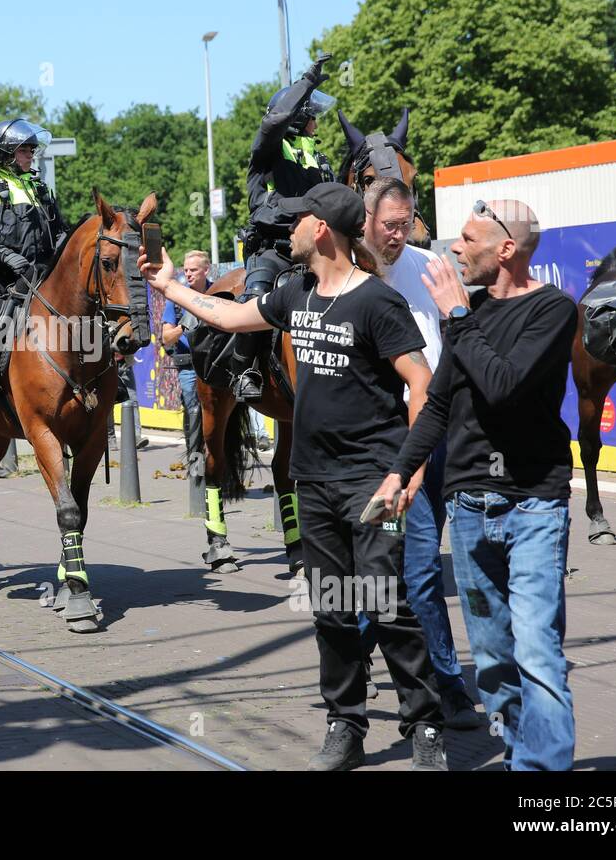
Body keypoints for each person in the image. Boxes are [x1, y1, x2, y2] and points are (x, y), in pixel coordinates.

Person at [142, 181, 446, 771]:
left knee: (387, 604)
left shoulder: (375, 302)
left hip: (372, 482)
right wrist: (171, 286)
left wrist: (406, 472)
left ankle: (425, 724)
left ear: (323, 229)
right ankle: (345, 725)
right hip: (315, 481)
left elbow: (422, 385)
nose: (292, 228)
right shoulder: (296, 293)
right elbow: (230, 315)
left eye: (301, 219)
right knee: (331, 608)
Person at [374, 199, 578, 771]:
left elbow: (503, 386)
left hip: (533, 502)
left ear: (505, 249)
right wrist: (401, 473)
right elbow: (438, 404)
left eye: (466, 239)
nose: (453, 249)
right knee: (492, 659)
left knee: (537, 650)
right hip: (467, 505)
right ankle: (520, 759)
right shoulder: (468, 312)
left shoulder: (553, 309)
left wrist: (458, 318)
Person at [361, 177, 484, 730]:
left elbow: (454, 343)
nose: (398, 234)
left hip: (436, 434)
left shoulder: (429, 266)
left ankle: (367, 650)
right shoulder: (346, 273)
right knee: (407, 569)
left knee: (413, 568)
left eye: (407, 223)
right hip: (383, 445)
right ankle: (443, 681)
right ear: (365, 219)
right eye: (389, 224)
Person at [226, 53, 338, 401]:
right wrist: (306, 82)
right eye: (311, 119)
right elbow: (274, 122)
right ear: (297, 118)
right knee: (257, 294)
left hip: (316, 248)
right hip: (273, 249)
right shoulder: (267, 151)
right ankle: (243, 369)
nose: (316, 125)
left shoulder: (317, 159)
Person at [0, 118, 67, 426]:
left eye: (32, 149)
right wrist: (6, 256)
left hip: (39, 276)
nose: (31, 154)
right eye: (25, 149)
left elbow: (60, 232)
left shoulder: (41, 189)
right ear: (5, 153)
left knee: (82, 313)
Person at [161, 250, 211, 458]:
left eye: (194, 270)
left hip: (214, 363)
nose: (188, 274)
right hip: (189, 366)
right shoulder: (177, 298)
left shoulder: (218, 292)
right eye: (186, 270)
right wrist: (185, 325)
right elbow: (166, 338)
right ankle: (194, 455)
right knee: (192, 407)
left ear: (206, 270)